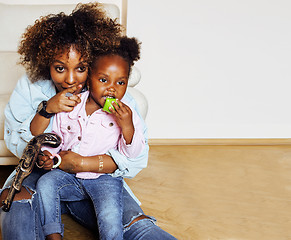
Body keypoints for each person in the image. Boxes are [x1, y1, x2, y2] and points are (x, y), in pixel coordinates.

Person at [0, 2, 177, 240]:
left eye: (82, 68)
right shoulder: (32, 85)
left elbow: (137, 158)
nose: (71, 79)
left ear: (94, 65)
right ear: (47, 63)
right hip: (43, 174)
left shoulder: (113, 95)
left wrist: (82, 164)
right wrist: (46, 112)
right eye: (60, 68)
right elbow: (17, 142)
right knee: (14, 205)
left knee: (133, 224)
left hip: (99, 178)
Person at [36, 37, 145, 240]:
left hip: (103, 179)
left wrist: (127, 125)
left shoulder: (127, 115)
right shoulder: (71, 105)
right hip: (66, 175)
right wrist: (49, 155)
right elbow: (56, 138)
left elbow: (132, 153)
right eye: (103, 80)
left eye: (120, 82)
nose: (112, 88)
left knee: (110, 214)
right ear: (89, 78)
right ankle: (53, 235)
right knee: (45, 184)